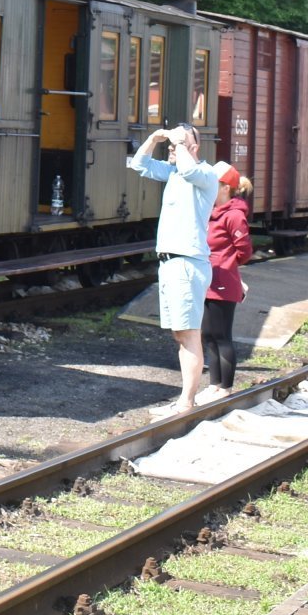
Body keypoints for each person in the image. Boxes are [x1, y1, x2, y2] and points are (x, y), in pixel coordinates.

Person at [128, 123, 227, 419]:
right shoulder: (173, 172)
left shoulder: (206, 175)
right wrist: (154, 138)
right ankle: (185, 400)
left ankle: (186, 402)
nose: (173, 149)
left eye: (180, 144)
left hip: (187, 262)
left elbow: (189, 170)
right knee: (180, 333)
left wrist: (181, 142)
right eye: (172, 146)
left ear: (194, 146)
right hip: (171, 262)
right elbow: (139, 164)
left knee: (189, 333)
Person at [199, 169, 254, 400]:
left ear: (225, 188)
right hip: (208, 280)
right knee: (207, 334)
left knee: (222, 335)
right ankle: (214, 385)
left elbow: (245, 251)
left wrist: (228, 264)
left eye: (215, 183)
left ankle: (225, 388)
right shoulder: (211, 212)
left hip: (223, 281)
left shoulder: (233, 215)